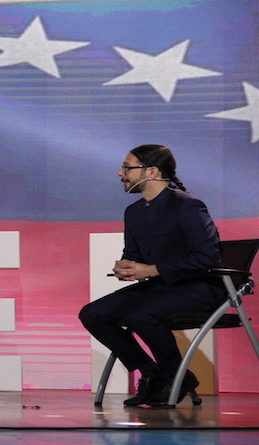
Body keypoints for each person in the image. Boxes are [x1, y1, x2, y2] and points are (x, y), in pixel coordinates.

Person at [79, 144, 223, 407]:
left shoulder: (187, 206)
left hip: (199, 288)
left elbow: (207, 258)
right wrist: (126, 268)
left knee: (140, 313)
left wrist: (153, 270)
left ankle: (174, 375)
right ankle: (150, 372)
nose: (120, 173)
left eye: (127, 167)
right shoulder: (133, 212)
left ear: (152, 171)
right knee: (92, 313)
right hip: (161, 287)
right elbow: (135, 256)